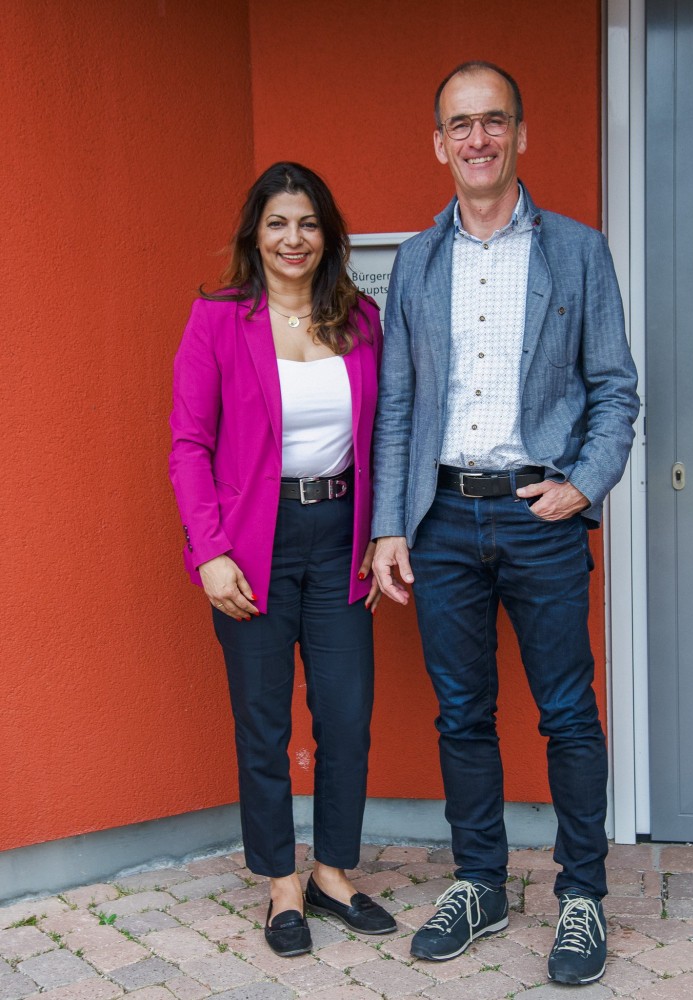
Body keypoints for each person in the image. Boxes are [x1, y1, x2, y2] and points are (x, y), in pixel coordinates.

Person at [371, 63, 639, 985]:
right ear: (437, 143)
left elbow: (614, 390)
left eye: (493, 122)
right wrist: (387, 526)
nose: (477, 139)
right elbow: (397, 407)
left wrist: (582, 484)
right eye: (460, 125)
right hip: (440, 517)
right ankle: (480, 883)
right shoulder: (415, 261)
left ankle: (580, 898)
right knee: (462, 714)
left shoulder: (576, 250)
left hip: (539, 516)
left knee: (566, 714)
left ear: (521, 135)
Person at [169, 162, 396, 957]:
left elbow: (384, 436)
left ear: (327, 235)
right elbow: (189, 446)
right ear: (254, 235)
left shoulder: (361, 320)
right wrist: (210, 553)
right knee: (263, 724)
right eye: (276, 224)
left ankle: (332, 872)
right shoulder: (217, 318)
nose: (292, 239)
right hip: (251, 545)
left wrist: (380, 531)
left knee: (345, 715)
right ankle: (279, 885)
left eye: (306, 224)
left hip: (340, 539)